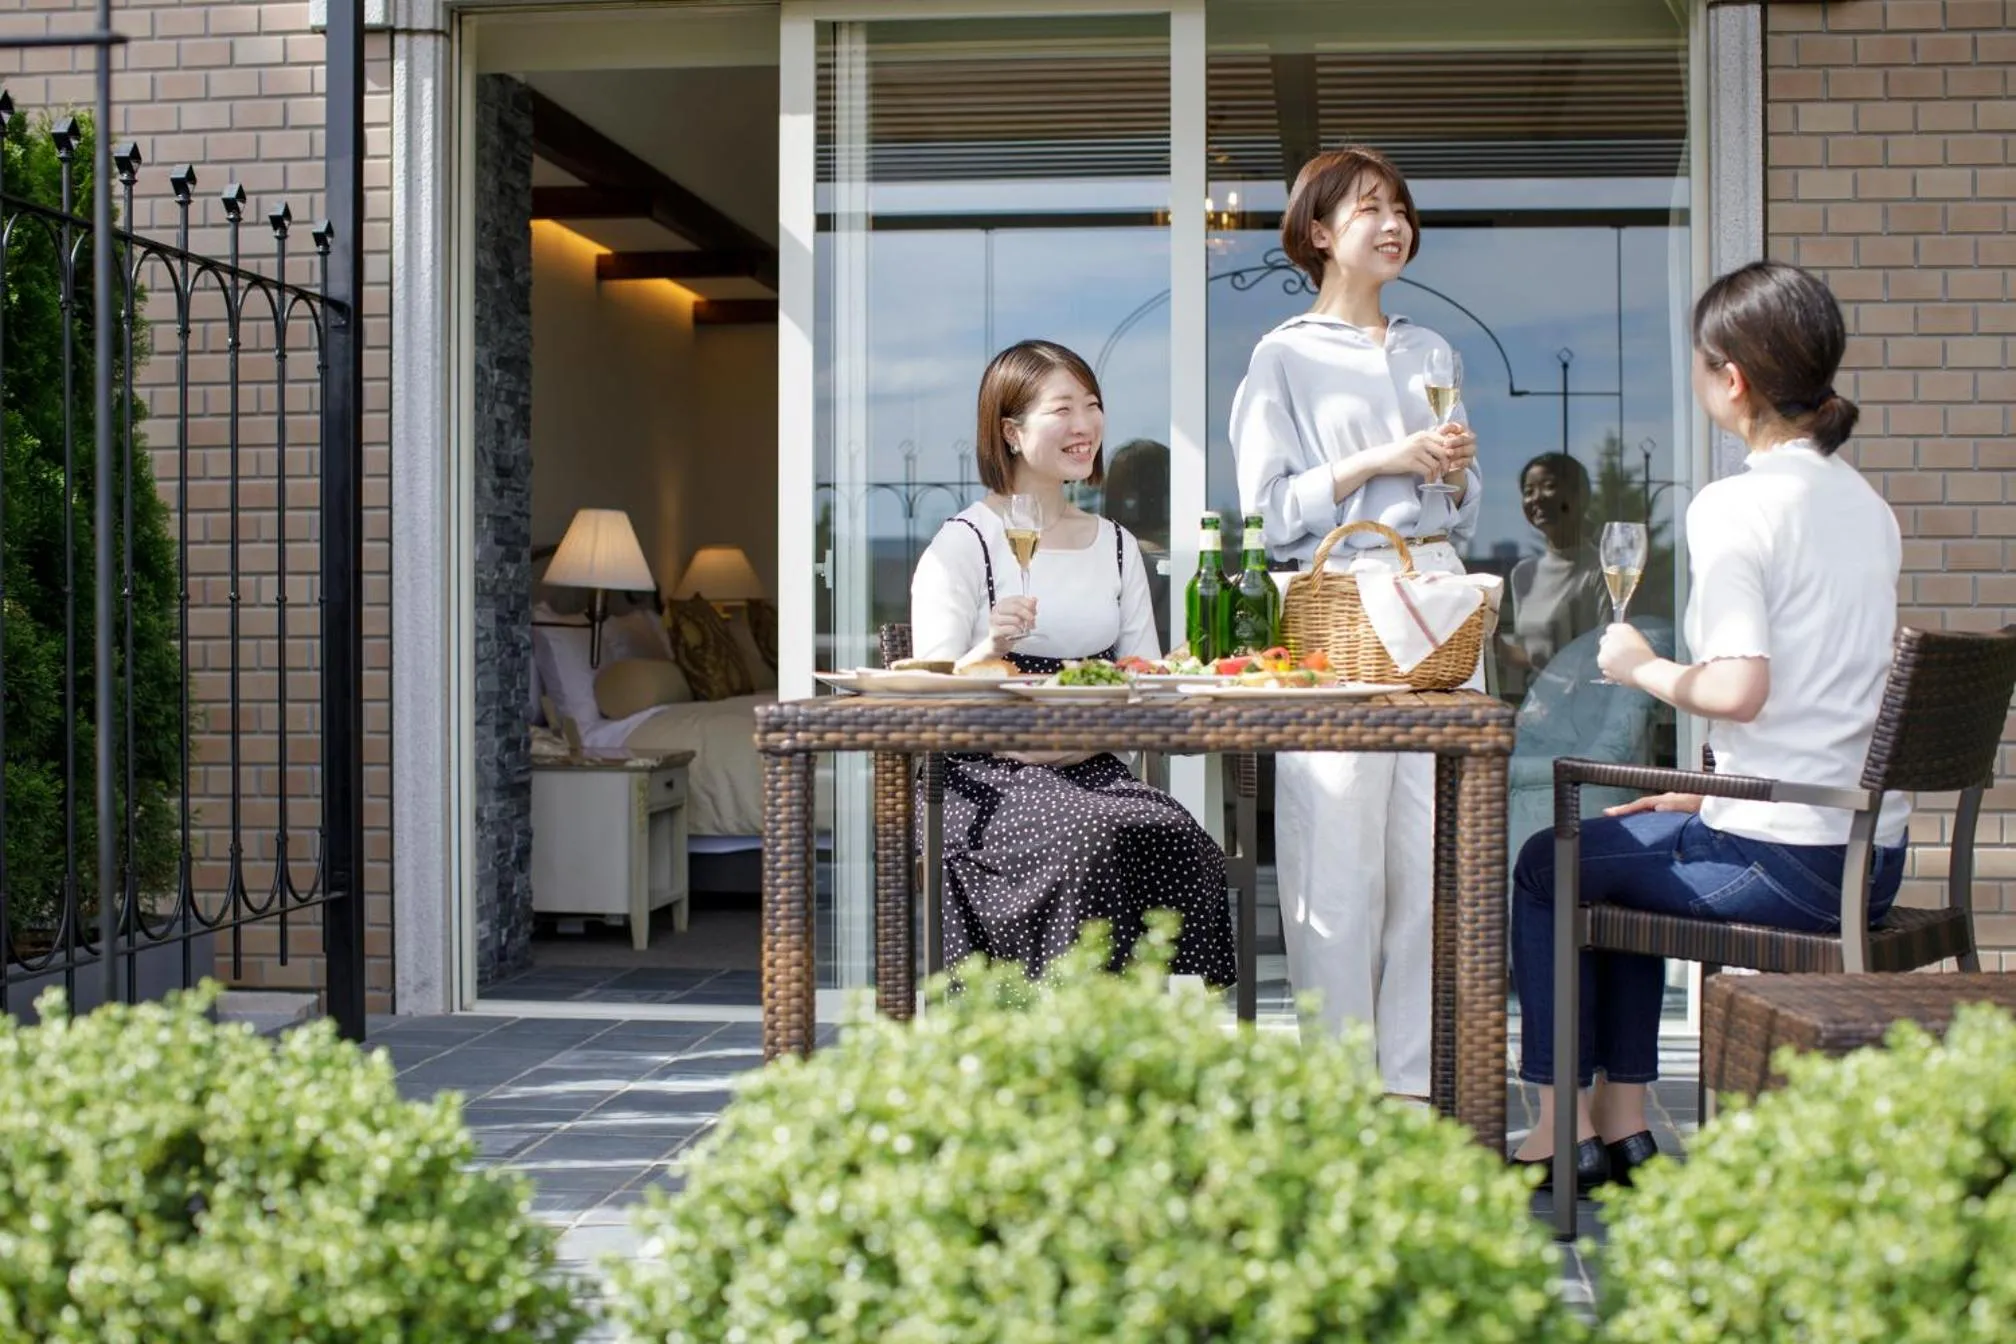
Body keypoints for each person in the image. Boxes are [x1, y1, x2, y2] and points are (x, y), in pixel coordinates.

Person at [1508, 260, 1909, 1190]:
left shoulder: (1736, 505)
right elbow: (1827, 687)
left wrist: (1638, 667)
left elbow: (1739, 688)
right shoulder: (1867, 507)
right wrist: (1705, 784)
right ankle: (1626, 1127)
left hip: (1785, 864)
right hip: (1864, 858)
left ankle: (1556, 1132)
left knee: (1547, 861)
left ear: (1731, 378)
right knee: (1611, 845)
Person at [1231, 146, 1482, 1098]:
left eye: (1401, 209)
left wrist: (1448, 470)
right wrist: (1388, 456)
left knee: (1431, 860)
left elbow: (1460, 497)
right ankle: (1340, 1091)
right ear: (1319, 233)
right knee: (1334, 859)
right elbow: (1264, 509)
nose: (1393, 224)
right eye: (1368, 208)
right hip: (1338, 612)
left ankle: (1415, 1090)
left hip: (1436, 602)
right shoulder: (1283, 355)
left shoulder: (1433, 351)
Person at [909, 340, 1237, 985]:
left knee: (1174, 833)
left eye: (1093, 406)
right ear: (1011, 431)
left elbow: (1141, 675)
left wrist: (1093, 733)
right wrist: (990, 650)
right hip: (982, 778)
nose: (1084, 425)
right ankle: (1048, 1030)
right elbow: (929, 691)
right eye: (1062, 409)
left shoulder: (1116, 546)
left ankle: (1122, 1033)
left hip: (1092, 764)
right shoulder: (963, 543)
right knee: (1089, 836)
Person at [1499, 453, 1607, 699]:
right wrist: (1492, 640)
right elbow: (1530, 656)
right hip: (1537, 711)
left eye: (1549, 487)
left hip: (1585, 712)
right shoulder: (1524, 574)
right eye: (1528, 491)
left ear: (1581, 496)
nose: (1536, 498)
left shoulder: (1600, 570)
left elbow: (1606, 656)